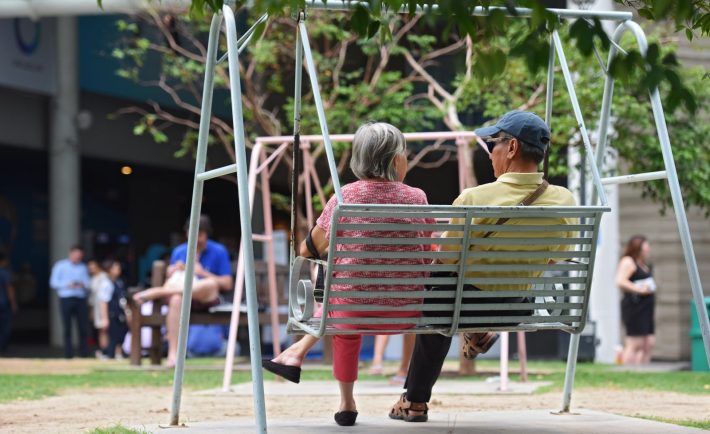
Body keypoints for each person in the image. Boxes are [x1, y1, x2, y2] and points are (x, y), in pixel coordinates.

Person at [389, 110, 577, 423]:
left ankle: (415, 401)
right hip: (518, 306)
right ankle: (477, 330)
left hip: (463, 305)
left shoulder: (475, 197)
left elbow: (447, 258)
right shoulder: (565, 200)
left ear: (513, 148)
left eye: (494, 144)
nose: (490, 153)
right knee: (449, 296)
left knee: (438, 297)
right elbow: (558, 255)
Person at [261, 122, 435, 426]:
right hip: (408, 309)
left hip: (351, 310)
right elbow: (426, 246)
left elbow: (309, 249)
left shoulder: (344, 197)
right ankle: (295, 356)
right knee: (346, 300)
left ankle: (346, 403)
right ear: (395, 160)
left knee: (344, 319)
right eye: (405, 153)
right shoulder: (417, 197)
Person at [132, 215, 232, 367]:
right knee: (176, 299)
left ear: (207, 234)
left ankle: (156, 292)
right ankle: (174, 354)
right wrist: (171, 271)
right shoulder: (179, 251)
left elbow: (227, 284)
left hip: (207, 298)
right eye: (194, 233)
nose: (198, 238)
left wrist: (201, 272)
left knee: (211, 283)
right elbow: (172, 281)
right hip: (183, 297)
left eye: (201, 234)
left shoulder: (218, 250)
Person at [616, 235, 656, 365]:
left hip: (646, 308)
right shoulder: (628, 261)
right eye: (646, 245)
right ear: (637, 246)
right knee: (635, 342)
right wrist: (640, 289)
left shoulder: (643, 263)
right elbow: (620, 281)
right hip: (634, 307)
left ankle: (642, 371)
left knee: (648, 342)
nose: (648, 248)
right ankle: (629, 372)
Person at [50, 245, 91, 358]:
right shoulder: (60, 266)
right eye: (76, 254)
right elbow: (53, 283)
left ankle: (84, 353)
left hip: (80, 299)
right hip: (66, 298)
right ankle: (68, 353)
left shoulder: (83, 267)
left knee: (83, 327)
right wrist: (68, 285)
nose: (78, 257)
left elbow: (88, 283)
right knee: (67, 327)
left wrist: (83, 285)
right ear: (71, 253)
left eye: (80, 255)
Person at [87, 259, 113, 359]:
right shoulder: (93, 278)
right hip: (96, 306)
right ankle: (103, 350)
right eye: (89, 267)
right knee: (100, 330)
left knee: (104, 329)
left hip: (103, 305)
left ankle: (106, 350)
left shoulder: (104, 278)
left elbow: (103, 297)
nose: (91, 269)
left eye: (93, 267)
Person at [106, 260, 128, 359]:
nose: (118, 271)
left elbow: (123, 298)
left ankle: (118, 352)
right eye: (115, 268)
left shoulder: (120, 282)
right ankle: (109, 353)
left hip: (120, 311)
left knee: (120, 333)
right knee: (112, 334)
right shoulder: (106, 283)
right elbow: (103, 301)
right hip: (111, 311)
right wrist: (104, 316)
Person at [0, 251, 18, 353]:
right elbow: (9, 289)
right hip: (3, 304)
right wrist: (13, 303)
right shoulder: (4, 273)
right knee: (4, 326)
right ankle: (2, 347)